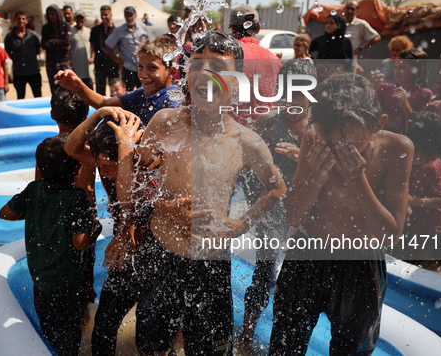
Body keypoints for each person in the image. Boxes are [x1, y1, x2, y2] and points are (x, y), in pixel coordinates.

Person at [107, 31, 286, 355]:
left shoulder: (245, 141)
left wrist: (242, 224)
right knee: (152, 346)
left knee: (209, 350)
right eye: (198, 65)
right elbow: (136, 182)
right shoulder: (165, 122)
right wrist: (165, 207)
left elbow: (277, 188)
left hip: (211, 263)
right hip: (161, 256)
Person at [270, 73, 413, 355]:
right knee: (284, 346)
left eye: (347, 142)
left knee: (352, 349)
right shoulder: (315, 137)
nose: (336, 143)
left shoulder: (397, 148)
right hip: (307, 253)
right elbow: (293, 217)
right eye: (328, 136)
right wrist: (317, 177)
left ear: (377, 124)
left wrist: (356, 178)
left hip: (360, 264)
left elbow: (391, 235)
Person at [239, 59, 316, 352]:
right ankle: (246, 335)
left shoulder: (321, 129)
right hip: (273, 212)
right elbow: (250, 173)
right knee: (264, 272)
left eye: (298, 93)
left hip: (307, 215)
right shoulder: (268, 124)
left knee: (297, 283)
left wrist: (304, 159)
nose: (289, 100)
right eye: (285, 92)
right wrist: (255, 211)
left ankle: (289, 342)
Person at [0, 134, 102, 355]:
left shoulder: (33, 190)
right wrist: (96, 229)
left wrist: (34, 212)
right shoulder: (77, 198)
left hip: (40, 282)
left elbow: (5, 213)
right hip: (66, 285)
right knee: (69, 339)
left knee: (49, 331)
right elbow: (80, 242)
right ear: (77, 170)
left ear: (40, 167)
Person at [64, 107, 152, 356]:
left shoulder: (147, 168)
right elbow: (71, 149)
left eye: (108, 165)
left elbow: (133, 208)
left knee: (151, 338)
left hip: (153, 267)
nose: (102, 172)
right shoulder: (108, 164)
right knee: (102, 329)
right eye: (99, 164)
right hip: (124, 263)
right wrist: (97, 114)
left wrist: (126, 232)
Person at [46, 88, 95, 327]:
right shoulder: (90, 147)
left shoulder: (47, 149)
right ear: (86, 114)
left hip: (57, 218)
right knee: (84, 268)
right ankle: (84, 312)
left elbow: (39, 187)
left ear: (52, 115)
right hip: (84, 217)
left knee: (58, 269)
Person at [55, 35, 180, 125]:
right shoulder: (143, 94)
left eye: (152, 68)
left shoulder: (174, 104)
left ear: (172, 72)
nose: (144, 74)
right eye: (140, 67)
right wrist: (78, 87)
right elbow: (103, 103)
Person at [404, 111, 441, 261]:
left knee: (422, 266)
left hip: (434, 230)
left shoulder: (432, 167)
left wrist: (411, 200)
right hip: (419, 223)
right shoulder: (417, 157)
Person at [228, 4, 282, 126]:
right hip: (265, 132)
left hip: (231, 132)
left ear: (232, 29)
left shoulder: (226, 57)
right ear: (258, 28)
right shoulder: (274, 60)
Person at [376, 48, 432, 135]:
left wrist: (405, 105)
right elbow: (370, 116)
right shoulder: (384, 89)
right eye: (395, 67)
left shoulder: (424, 95)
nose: (397, 71)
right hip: (383, 140)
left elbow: (420, 130)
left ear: (418, 71)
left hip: (408, 143)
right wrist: (370, 89)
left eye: (402, 68)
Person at [104, 6, 154, 91]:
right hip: (128, 67)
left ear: (135, 16)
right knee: (128, 92)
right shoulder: (119, 30)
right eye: (127, 15)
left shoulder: (143, 27)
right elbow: (108, 44)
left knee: (145, 91)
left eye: (131, 15)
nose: (129, 18)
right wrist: (115, 59)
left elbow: (152, 41)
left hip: (143, 67)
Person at [4, 11, 42, 99]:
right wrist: (18, 59)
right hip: (19, 72)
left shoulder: (33, 35)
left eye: (23, 19)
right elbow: (8, 52)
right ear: (14, 20)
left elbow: (38, 50)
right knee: (20, 97)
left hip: (34, 71)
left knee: (38, 97)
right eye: (18, 18)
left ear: (27, 21)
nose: (21, 21)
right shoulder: (9, 36)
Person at [308, 13, 353, 83]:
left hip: (338, 78)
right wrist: (314, 62)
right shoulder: (320, 40)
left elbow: (349, 62)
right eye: (327, 23)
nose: (328, 26)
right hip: (320, 76)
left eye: (332, 23)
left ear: (339, 24)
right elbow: (307, 49)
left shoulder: (345, 42)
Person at [41, 4, 71, 94]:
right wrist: (59, 44)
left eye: (53, 13)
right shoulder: (46, 28)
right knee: (54, 90)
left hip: (63, 61)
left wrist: (51, 41)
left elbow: (67, 43)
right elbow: (43, 45)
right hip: (51, 62)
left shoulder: (66, 25)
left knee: (67, 89)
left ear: (58, 14)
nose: (51, 16)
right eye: (49, 14)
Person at [90, 5, 118, 96]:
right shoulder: (95, 30)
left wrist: (118, 59)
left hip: (113, 64)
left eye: (106, 14)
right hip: (99, 64)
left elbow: (120, 47)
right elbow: (93, 46)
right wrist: (92, 57)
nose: (104, 17)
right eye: (102, 14)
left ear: (111, 15)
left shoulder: (116, 30)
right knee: (100, 90)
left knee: (114, 90)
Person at [70, 10, 93, 90]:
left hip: (87, 67)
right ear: (75, 19)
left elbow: (93, 46)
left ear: (85, 19)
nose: (80, 19)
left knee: (89, 90)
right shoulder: (70, 31)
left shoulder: (89, 31)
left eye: (81, 18)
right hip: (75, 66)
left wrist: (92, 57)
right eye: (78, 17)